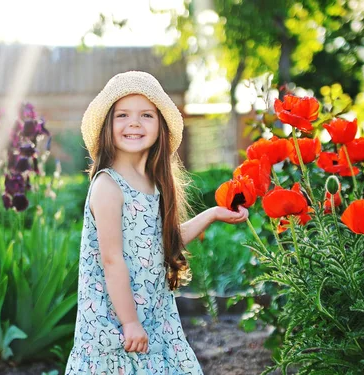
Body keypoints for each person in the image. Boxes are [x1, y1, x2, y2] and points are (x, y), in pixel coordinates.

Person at [65, 71, 249, 374]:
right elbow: (112, 260)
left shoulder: (152, 183)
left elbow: (160, 242)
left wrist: (213, 213)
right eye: (122, 115)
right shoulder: (108, 186)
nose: (134, 123)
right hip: (117, 320)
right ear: (106, 127)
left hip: (154, 311)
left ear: (160, 128)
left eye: (146, 115)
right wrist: (129, 322)